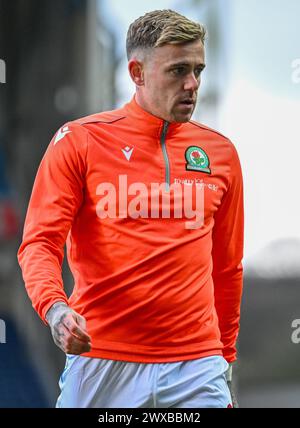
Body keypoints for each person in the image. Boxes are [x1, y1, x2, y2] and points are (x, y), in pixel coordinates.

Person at [18, 9, 244, 408]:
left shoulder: (221, 153)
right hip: (102, 360)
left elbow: (227, 268)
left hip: (196, 365)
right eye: (178, 71)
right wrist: (55, 310)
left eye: (198, 69)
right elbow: (39, 243)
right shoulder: (79, 141)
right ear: (137, 73)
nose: (192, 84)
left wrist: (224, 358)